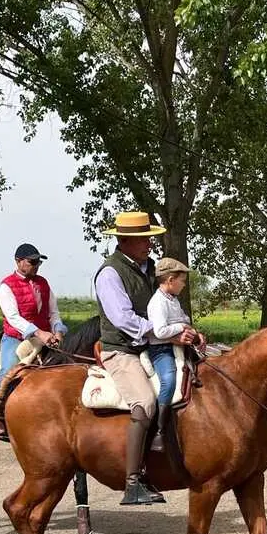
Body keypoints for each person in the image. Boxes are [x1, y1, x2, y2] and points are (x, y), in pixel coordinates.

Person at [94, 211, 196, 505]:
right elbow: (124, 320)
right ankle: (132, 482)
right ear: (124, 240)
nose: (149, 243)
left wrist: (186, 329)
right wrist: (167, 333)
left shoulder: (150, 268)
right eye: (143, 239)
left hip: (153, 345)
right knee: (145, 402)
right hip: (122, 349)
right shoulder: (110, 274)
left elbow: (166, 304)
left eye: (149, 237)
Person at [0, 242, 68, 440]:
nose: (36, 265)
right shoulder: (6, 286)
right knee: (8, 368)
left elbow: (53, 313)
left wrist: (58, 330)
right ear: (18, 261)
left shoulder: (43, 283)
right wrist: (39, 333)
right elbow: (14, 318)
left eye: (38, 262)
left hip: (45, 337)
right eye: (32, 262)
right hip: (16, 338)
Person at [146, 257, 204, 452]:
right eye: (182, 281)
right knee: (169, 380)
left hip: (178, 346)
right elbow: (160, 331)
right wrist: (181, 327)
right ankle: (159, 430)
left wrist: (194, 332)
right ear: (170, 280)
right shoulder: (157, 303)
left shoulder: (172, 300)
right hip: (161, 349)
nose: (184, 285)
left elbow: (184, 319)